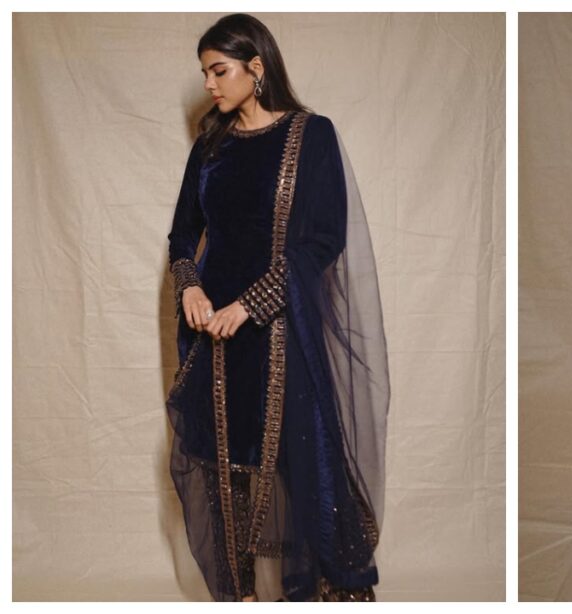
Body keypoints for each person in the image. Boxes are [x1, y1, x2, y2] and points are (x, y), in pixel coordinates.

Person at [165, 14, 389, 602]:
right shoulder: (209, 146)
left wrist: (252, 304)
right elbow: (182, 235)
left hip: (281, 329)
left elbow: (324, 239)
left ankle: (323, 593)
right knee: (221, 467)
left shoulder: (310, 136)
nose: (209, 84)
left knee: (303, 463)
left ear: (256, 67)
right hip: (212, 334)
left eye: (219, 70)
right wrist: (190, 287)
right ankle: (239, 595)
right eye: (205, 73)